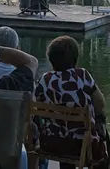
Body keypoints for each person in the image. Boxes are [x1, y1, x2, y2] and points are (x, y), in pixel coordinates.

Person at [35, 36, 107, 165]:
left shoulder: (45, 79)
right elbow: (101, 104)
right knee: (101, 116)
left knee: (64, 130)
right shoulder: (82, 76)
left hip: (51, 143)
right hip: (83, 146)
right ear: (75, 58)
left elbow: (39, 109)